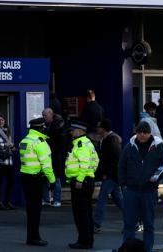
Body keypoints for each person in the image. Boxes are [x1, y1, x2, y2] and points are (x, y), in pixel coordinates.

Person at [119, 120, 163, 252]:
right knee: (129, 224)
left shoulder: (158, 146)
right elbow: (121, 165)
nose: (142, 135)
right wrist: (123, 185)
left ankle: (147, 250)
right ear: (136, 133)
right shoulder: (129, 146)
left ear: (150, 134)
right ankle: (128, 250)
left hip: (149, 191)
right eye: (139, 132)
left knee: (148, 225)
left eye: (145, 132)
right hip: (131, 190)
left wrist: (159, 177)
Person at [19, 117, 56, 247]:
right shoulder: (40, 143)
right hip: (35, 179)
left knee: (30, 209)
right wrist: (52, 181)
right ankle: (35, 237)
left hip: (25, 176)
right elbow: (46, 165)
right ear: (40, 128)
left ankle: (31, 237)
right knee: (36, 209)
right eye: (43, 127)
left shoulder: (25, 140)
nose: (45, 129)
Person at [66, 119, 99, 250]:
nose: (71, 132)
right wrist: (90, 174)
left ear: (79, 131)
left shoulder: (80, 144)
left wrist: (80, 179)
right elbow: (96, 160)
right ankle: (86, 240)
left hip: (81, 182)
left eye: (73, 130)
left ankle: (84, 241)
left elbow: (84, 164)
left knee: (81, 213)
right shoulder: (87, 143)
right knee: (86, 212)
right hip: (86, 180)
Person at [93, 118, 123, 233]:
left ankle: (97, 224)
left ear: (104, 128)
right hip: (112, 176)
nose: (97, 128)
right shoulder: (105, 139)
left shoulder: (112, 139)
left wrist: (107, 174)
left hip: (111, 176)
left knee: (101, 199)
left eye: (98, 127)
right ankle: (134, 220)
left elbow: (116, 159)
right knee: (119, 200)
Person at [41, 107, 68, 207]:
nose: (44, 117)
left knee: (56, 177)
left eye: (45, 115)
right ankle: (46, 199)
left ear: (51, 114)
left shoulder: (59, 126)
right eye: (43, 115)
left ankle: (57, 199)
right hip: (46, 155)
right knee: (45, 177)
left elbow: (62, 142)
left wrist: (60, 153)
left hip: (56, 155)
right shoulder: (44, 126)